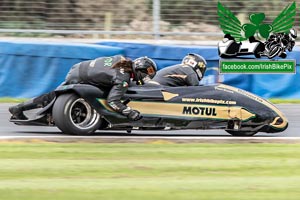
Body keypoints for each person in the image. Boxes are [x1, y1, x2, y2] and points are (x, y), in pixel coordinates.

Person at [9, 55, 157, 121]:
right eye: (148, 71)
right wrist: (130, 113)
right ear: (140, 68)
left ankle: (18, 108)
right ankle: (22, 109)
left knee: (53, 96)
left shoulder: (122, 59)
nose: (148, 76)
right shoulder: (123, 78)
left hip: (78, 67)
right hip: (81, 77)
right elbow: (113, 102)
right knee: (53, 99)